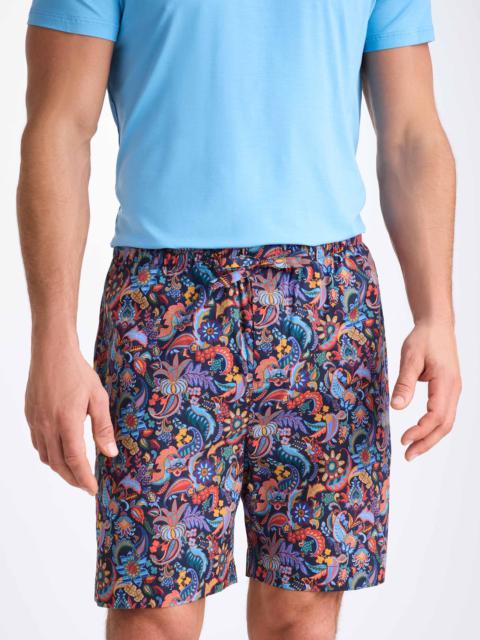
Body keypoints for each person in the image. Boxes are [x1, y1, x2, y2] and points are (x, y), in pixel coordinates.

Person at [17, 1, 461, 638]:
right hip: (164, 306)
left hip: (326, 303)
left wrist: (437, 315)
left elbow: (412, 133)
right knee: (155, 611)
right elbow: (58, 127)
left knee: (302, 613)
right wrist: (51, 340)